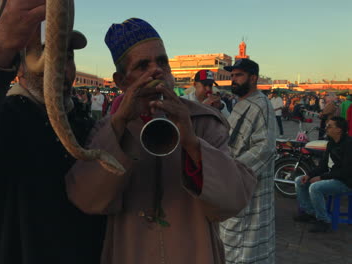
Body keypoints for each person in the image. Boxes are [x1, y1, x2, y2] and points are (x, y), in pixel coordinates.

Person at [66, 18, 256, 264]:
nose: (156, 71)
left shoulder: (204, 122)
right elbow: (86, 199)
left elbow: (232, 202)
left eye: (162, 62)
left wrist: (192, 143)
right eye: (143, 65)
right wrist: (119, 126)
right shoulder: (108, 128)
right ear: (122, 81)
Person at [0, 1, 105, 263]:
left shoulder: (82, 123)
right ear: (17, 65)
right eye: (50, 53)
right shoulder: (0, 121)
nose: (61, 66)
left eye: (68, 55)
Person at [219, 59, 277, 264]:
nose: (233, 80)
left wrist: (234, 171)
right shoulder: (241, 103)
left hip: (249, 189)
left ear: (254, 78)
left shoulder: (261, 105)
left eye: (239, 75)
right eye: (232, 75)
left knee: (245, 249)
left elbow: (265, 148)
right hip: (232, 186)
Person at [293, 116, 351, 232]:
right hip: (333, 177)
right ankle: (311, 213)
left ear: (339, 129)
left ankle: (324, 220)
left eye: (329, 126)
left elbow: (346, 171)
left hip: (346, 182)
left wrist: (321, 177)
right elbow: (323, 166)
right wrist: (309, 175)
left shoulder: (349, 144)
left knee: (315, 187)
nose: (326, 128)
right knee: (299, 181)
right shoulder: (331, 143)